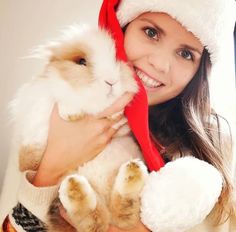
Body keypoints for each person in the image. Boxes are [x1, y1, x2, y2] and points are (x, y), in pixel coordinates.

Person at [1, 0, 236, 231]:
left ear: (200, 69)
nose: (160, 63)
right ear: (121, 28)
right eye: (151, 32)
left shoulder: (209, 148)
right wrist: (50, 168)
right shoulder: (50, 112)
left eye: (185, 53)